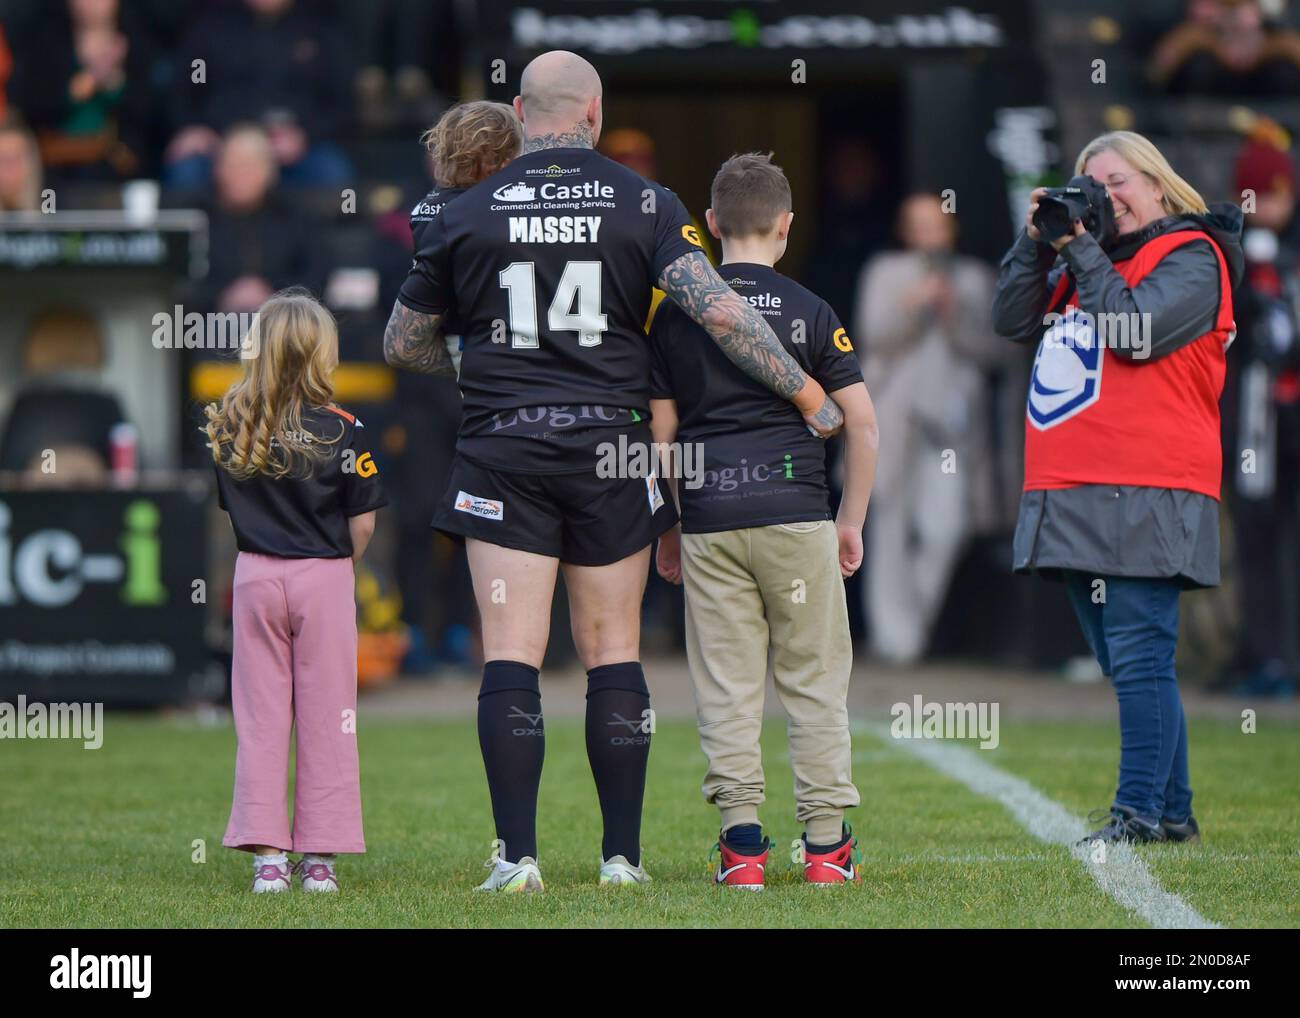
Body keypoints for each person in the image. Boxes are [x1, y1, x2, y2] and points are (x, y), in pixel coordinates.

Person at [385, 50, 843, 893]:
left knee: (511, 652)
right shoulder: (648, 201)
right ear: (593, 113)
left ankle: (518, 859)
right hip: (614, 447)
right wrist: (808, 392)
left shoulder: (462, 208)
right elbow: (722, 314)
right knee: (613, 649)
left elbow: (401, 344)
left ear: (522, 110)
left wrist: (480, 362)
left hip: (503, 446)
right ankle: (620, 860)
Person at [993, 130, 1244, 845]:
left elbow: (1133, 332)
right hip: (1072, 484)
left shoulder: (1194, 256)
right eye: (1091, 186)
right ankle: (1172, 812)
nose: (1106, 196)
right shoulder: (1084, 262)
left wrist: (1078, 249)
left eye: (1119, 181)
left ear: (1159, 185)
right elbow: (1010, 320)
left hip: (1150, 481)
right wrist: (1037, 242)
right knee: (1127, 664)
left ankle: (1136, 813)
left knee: (1140, 654)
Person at [650, 153, 879, 888]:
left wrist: (671, 527)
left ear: (711, 226)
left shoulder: (675, 316)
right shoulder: (813, 310)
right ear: (786, 225)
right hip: (796, 516)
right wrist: (852, 520)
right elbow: (862, 426)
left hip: (712, 520)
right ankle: (824, 849)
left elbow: (662, 440)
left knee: (727, 688)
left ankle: (742, 848)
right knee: (813, 682)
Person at [205, 289, 388, 892]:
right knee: (329, 717)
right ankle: (319, 863)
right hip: (324, 576)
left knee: (260, 720)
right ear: (320, 355)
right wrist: (337, 567)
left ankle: (267, 862)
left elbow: (229, 513)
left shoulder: (229, 421)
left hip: (256, 573)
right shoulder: (346, 428)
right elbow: (363, 521)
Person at [854, 193, 1009, 663]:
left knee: (945, 528)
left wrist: (952, 311)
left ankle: (912, 622)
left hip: (952, 430)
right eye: (917, 224)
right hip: (894, 422)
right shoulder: (885, 271)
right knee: (889, 529)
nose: (928, 234)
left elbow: (997, 352)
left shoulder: (976, 278)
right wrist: (911, 307)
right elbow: (871, 335)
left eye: (935, 224)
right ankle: (893, 639)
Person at [397, 101, 521, 673]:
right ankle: (417, 632)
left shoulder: (469, 207)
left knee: (483, 517)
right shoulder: (442, 212)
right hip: (454, 381)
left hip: (488, 382)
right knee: (428, 514)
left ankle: (463, 633)